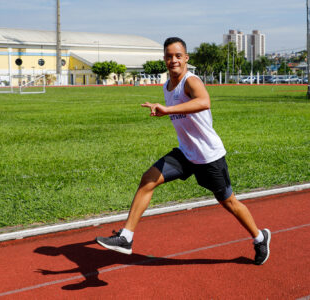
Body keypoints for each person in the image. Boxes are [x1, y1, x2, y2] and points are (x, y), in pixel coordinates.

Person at [96, 37, 271, 265]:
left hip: (208, 156)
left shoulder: (191, 81)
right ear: (164, 60)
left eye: (178, 56)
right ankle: (126, 238)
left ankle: (260, 238)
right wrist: (166, 110)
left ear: (186, 58)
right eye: (169, 56)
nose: (173, 60)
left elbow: (204, 101)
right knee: (148, 179)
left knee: (228, 202)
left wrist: (167, 110)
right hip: (185, 154)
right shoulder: (166, 86)